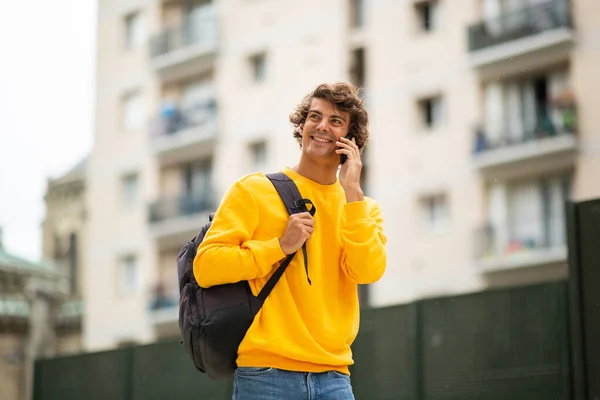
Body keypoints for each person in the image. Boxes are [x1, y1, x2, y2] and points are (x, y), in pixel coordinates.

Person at [194, 82, 387, 399]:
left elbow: (367, 271)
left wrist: (353, 195)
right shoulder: (254, 191)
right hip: (266, 376)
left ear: (350, 140)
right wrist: (278, 247)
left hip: (334, 377)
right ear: (302, 125)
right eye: (315, 116)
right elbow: (206, 266)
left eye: (335, 121)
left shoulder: (363, 209)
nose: (322, 126)